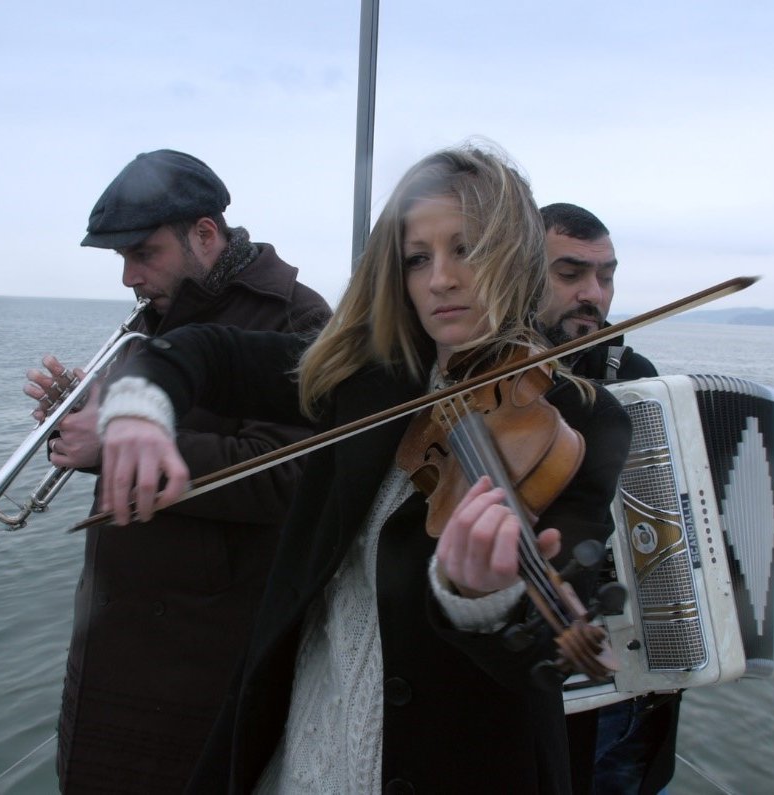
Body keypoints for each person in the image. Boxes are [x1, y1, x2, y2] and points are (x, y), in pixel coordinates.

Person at [93, 146, 634, 793]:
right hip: (304, 740)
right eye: (417, 258)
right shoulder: (366, 378)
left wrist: (479, 599)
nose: (440, 279)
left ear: (514, 256)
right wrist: (137, 410)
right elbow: (206, 351)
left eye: (466, 250)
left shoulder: (583, 420)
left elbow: (539, 642)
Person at [24, 149, 331, 793]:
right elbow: (133, 461)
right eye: (122, 259)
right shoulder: (147, 326)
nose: (129, 276)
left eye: (144, 253)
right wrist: (79, 426)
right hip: (109, 647)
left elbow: (289, 480)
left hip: (206, 658)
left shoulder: (298, 318)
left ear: (205, 235)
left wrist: (112, 445)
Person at [538, 202, 774, 794]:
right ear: (518, 274)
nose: (593, 294)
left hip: (641, 687)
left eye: (606, 275)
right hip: (541, 684)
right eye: (570, 274)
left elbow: (695, 517)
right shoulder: (487, 380)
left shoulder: (639, 377)